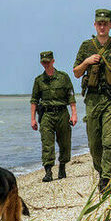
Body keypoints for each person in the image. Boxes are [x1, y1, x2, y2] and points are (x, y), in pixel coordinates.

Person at [72, 9, 111, 194]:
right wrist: (87, 62)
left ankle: (106, 179)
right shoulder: (86, 46)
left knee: (110, 140)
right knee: (94, 143)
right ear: (94, 25)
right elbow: (76, 72)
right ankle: (102, 172)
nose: (102, 26)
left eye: (105, 23)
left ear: (110, 25)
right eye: (99, 23)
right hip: (92, 100)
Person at [30, 51, 77, 182]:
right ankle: (48, 171)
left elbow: (71, 96)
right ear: (41, 63)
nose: (46, 64)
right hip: (46, 115)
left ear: (53, 61)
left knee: (65, 142)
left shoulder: (63, 77)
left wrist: (74, 114)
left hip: (62, 113)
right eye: (43, 62)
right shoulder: (39, 81)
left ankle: (62, 166)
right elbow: (34, 100)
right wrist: (33, 119)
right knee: (47, 143)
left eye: (48, 61)